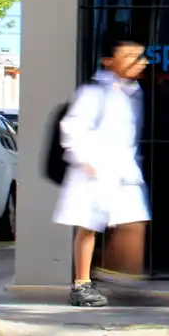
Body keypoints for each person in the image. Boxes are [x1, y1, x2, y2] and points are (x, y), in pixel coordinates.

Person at [54, 32, 149, 308]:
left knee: (134, 223)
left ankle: (115, 275)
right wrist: (85, 160)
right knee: (88, 227)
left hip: (123, 173)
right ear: (109, 61)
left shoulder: (133, 93)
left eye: (140, 56)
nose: (138, 62)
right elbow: (72, 127)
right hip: (93, 171)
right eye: (129, 57)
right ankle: (81, 285)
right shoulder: (93, 93)